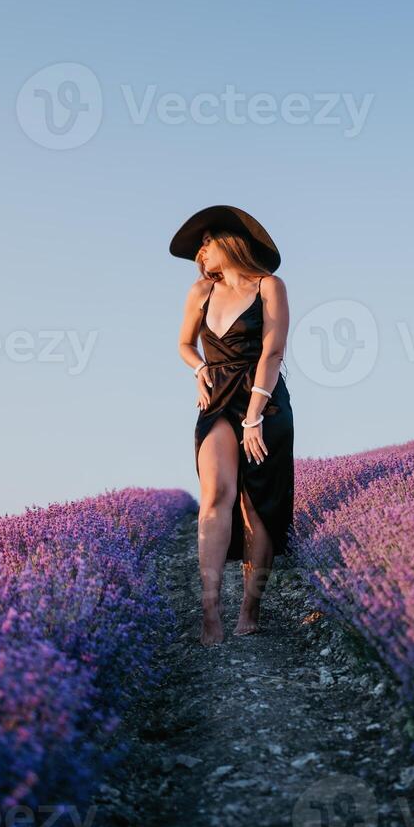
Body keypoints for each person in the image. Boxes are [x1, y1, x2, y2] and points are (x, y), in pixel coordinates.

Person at [169, 206, 295, 646]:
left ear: (229, 243)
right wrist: (198, 368)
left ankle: (250, 608)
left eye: (206, 243)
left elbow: (272, 352)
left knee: (257, 504)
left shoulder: (269, 287)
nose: (200, 253)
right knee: (215, 495)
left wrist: (256, 416)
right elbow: (184, 343)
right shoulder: (200, 292)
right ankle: (210, 611)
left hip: (263, 399)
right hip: (216, 399)